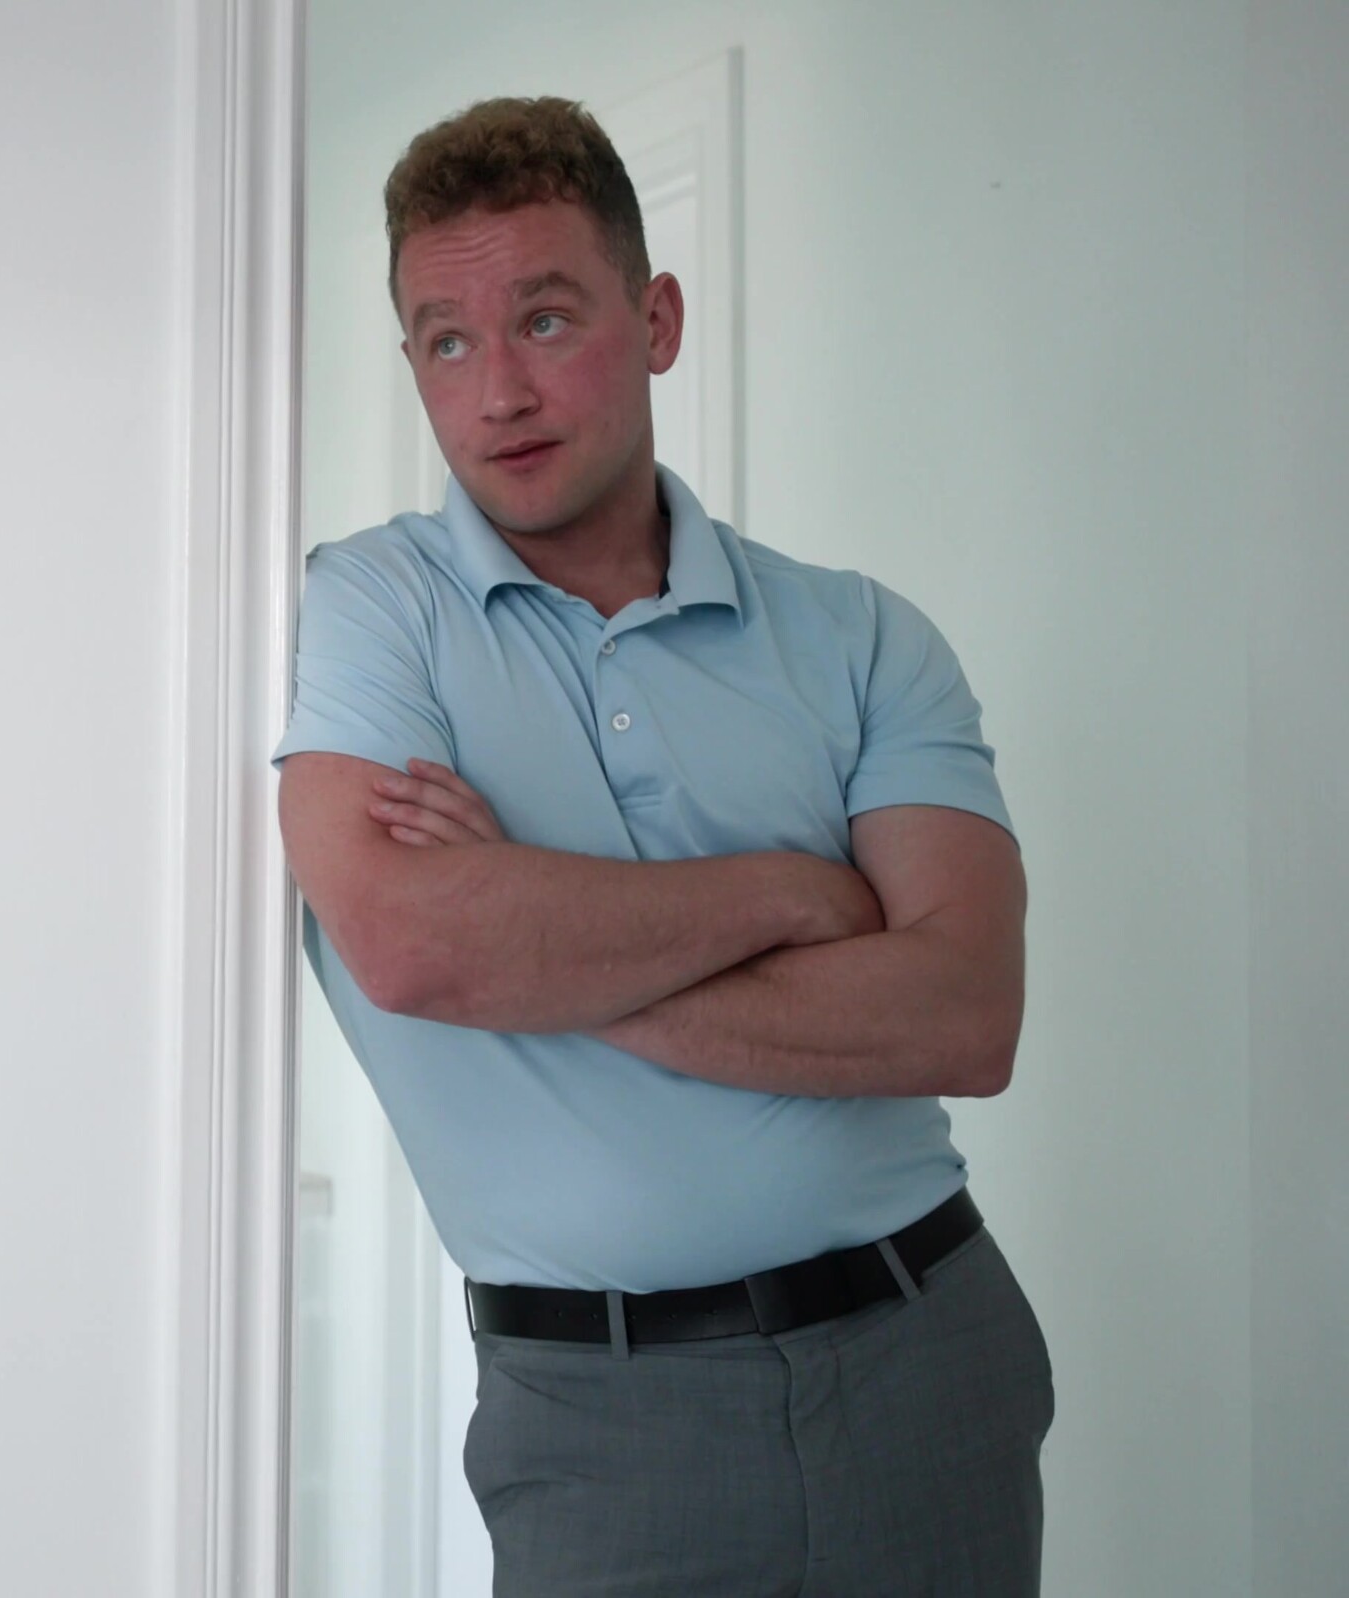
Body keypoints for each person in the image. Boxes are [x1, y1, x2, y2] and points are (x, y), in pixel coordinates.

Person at [273, 97, 1054, 1595]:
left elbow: (967, 1013)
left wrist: (549, 956)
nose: (500, 390)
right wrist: (794, 896)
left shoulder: (861, 635)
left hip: (930, 1358)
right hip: (605, 1419)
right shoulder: (370, 610)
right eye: (447, 341)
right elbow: (415, 945)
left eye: (545, 319)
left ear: (657, 321)